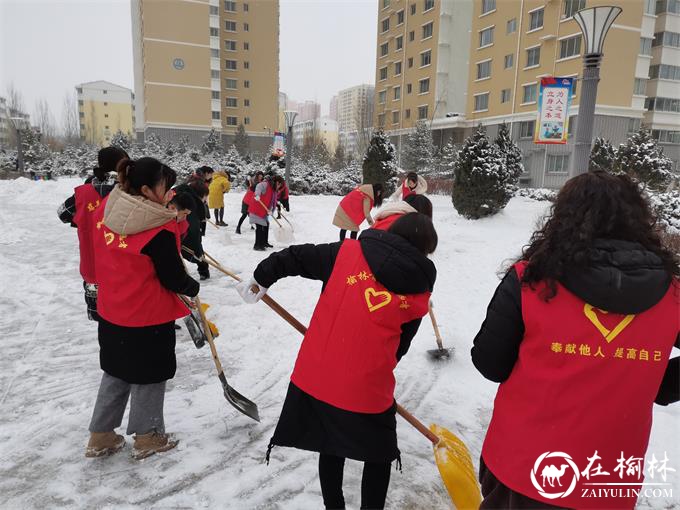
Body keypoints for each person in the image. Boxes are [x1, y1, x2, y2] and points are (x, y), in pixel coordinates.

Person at [471, 171, 679, 509]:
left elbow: (489, 363)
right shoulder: (673, 295)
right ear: (639, 220)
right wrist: (656, 383)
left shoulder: (531, 281)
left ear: (564, 217)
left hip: (524, 465)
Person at [237, 213, 437, 510]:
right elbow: (400, 347)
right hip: (368, 388)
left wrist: (261, 276)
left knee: (330, 442)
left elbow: (296, 256)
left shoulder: (347, 251)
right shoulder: (419, 288)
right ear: (424, 249)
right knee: (378, 454)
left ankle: (334, 506)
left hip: (318, 376)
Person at [87, 157, 200, 460]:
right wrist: (192, 287)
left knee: (116, 372)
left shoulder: (107, 210)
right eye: (166, 187)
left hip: (112, 313)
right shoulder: (157, 229)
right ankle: (148, 437)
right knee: (149, 375)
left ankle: (101, 435)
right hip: (147, 315)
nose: (169, 193)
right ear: (148, 189)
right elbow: (172, 276)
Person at [58, 146, 129, 321]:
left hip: (94, 268)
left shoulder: (83, 194)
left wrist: (84, 219)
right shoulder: (130, 191)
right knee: (128, 316)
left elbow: (63, 214)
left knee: (102, 319)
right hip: (125, 267)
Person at [174, 179, 211, 280]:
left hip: (175, 232)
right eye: (205, 197)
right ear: (202, 194)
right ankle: (203, 271)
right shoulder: (190, 203)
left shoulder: (179, 192)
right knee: (197, 252)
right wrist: (198, 250)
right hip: (180, 233)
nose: (205, 200)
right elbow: (193, 229)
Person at [249, 172, 277, 251]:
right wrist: (257, 195)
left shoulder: (273, 188)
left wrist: (271, 210)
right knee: (259, 226)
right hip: (257, 208)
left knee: (266, 224)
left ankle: (264, 242)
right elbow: (258, 187)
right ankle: (257, 245)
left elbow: (272, 200)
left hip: (263, 210)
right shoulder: (264, 184)